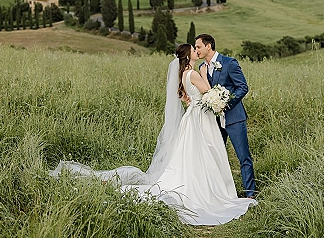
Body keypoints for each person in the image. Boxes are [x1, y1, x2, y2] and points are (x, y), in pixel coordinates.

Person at [50, 43, 255, 225]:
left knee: (195, 154)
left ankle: (211, 186)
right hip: (201, 117)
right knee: (205, 152)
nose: (196, 51)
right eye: (194, 49)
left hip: (196, 117)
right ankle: (209, 190)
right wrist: (212, 93)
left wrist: (195, 96)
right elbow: (208, 91)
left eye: (198, 47)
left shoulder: (185, 74)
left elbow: (190, 95)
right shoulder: (194, 73)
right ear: (188, 56)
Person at [194, 34, 256, 198]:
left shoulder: (229, 63)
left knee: (243, 157)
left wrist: (225, 103)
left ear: (209, 46)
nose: (196, 50)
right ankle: (219, 194)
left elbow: (242, 87)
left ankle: (250, 193)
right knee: (215, 158)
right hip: (214, 121)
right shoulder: (202, 68)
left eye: (199, 46)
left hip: (234, 117)